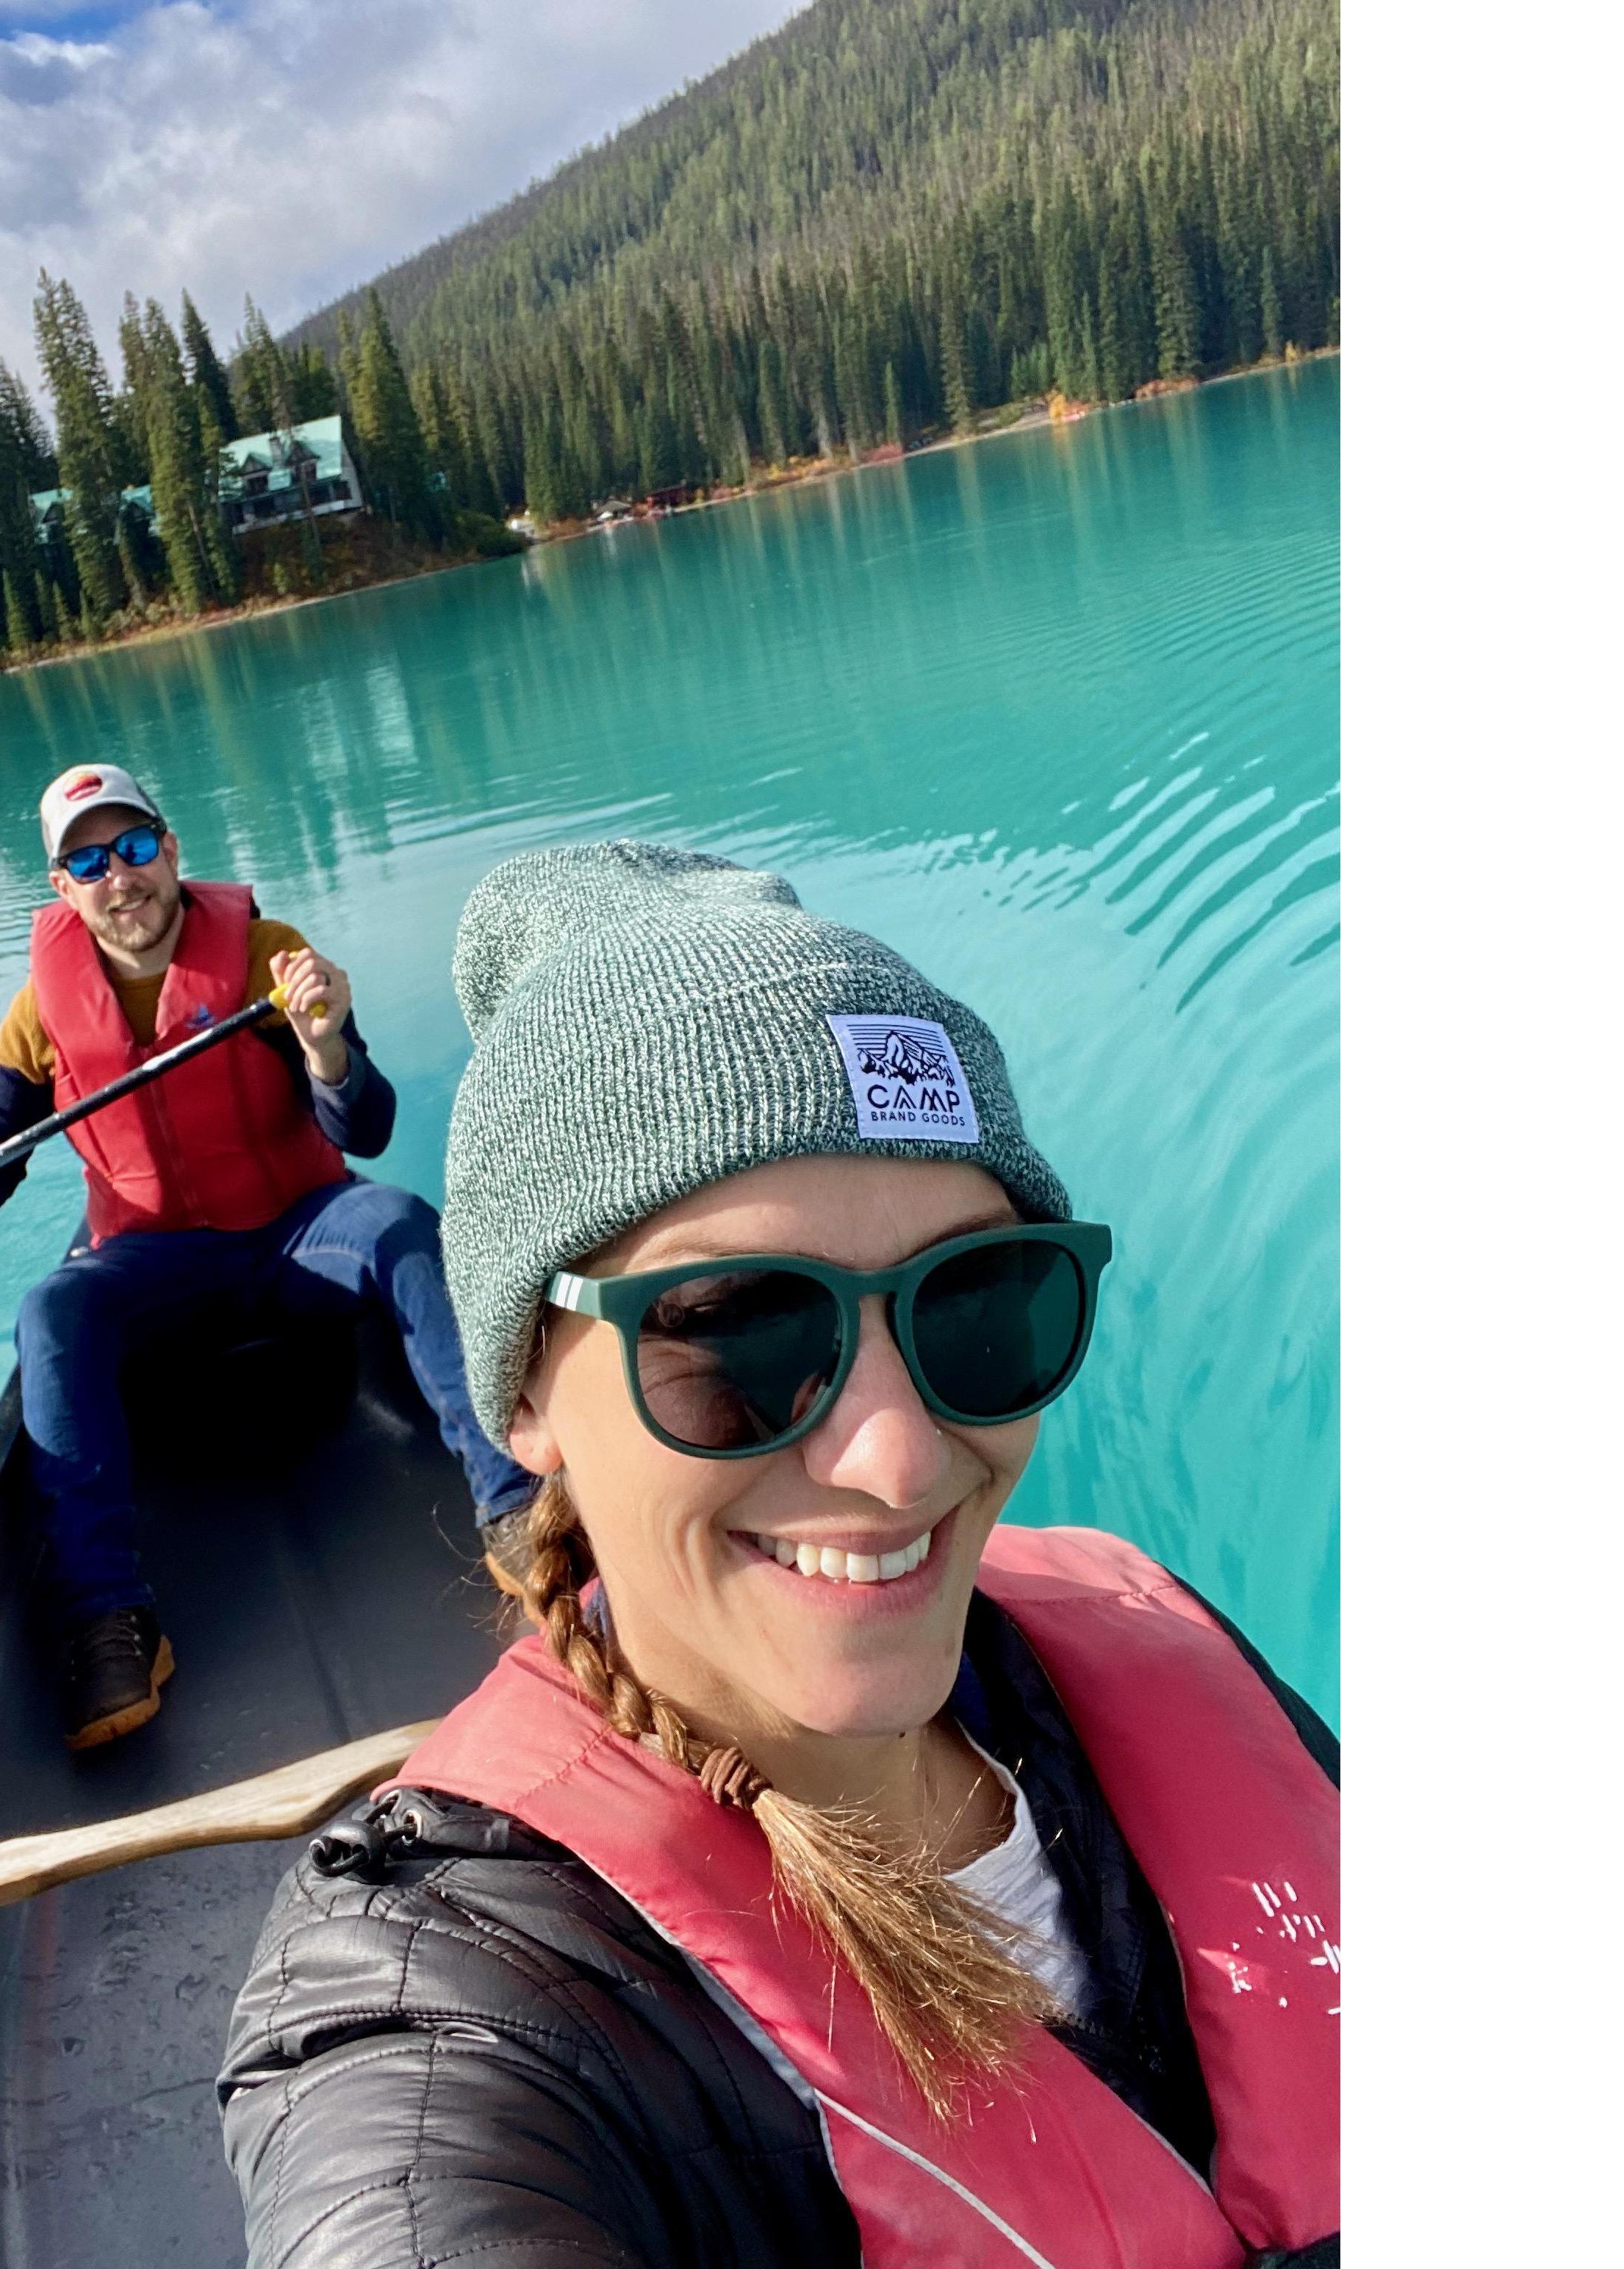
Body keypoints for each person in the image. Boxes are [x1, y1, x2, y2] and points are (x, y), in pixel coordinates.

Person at [220, 842, 1338, 2268]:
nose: (898, 1456)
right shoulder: (449, 1999)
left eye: (976, 1303)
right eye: (736, 1333)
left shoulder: (1149, 1630)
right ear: (521, 1395)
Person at [0, 763, 533, 1750]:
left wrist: (326, 1049)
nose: (122, 876)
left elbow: (365, 1125)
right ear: (62, 887)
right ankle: (110, 1618)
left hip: (298, 1235)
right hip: (153, 1266)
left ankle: (517, 1505)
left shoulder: (270, 958)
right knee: (52, 1314)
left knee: (400, 1220)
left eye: (136, 847)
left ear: (172, 849)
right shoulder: (37, 1013)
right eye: (90, 861)